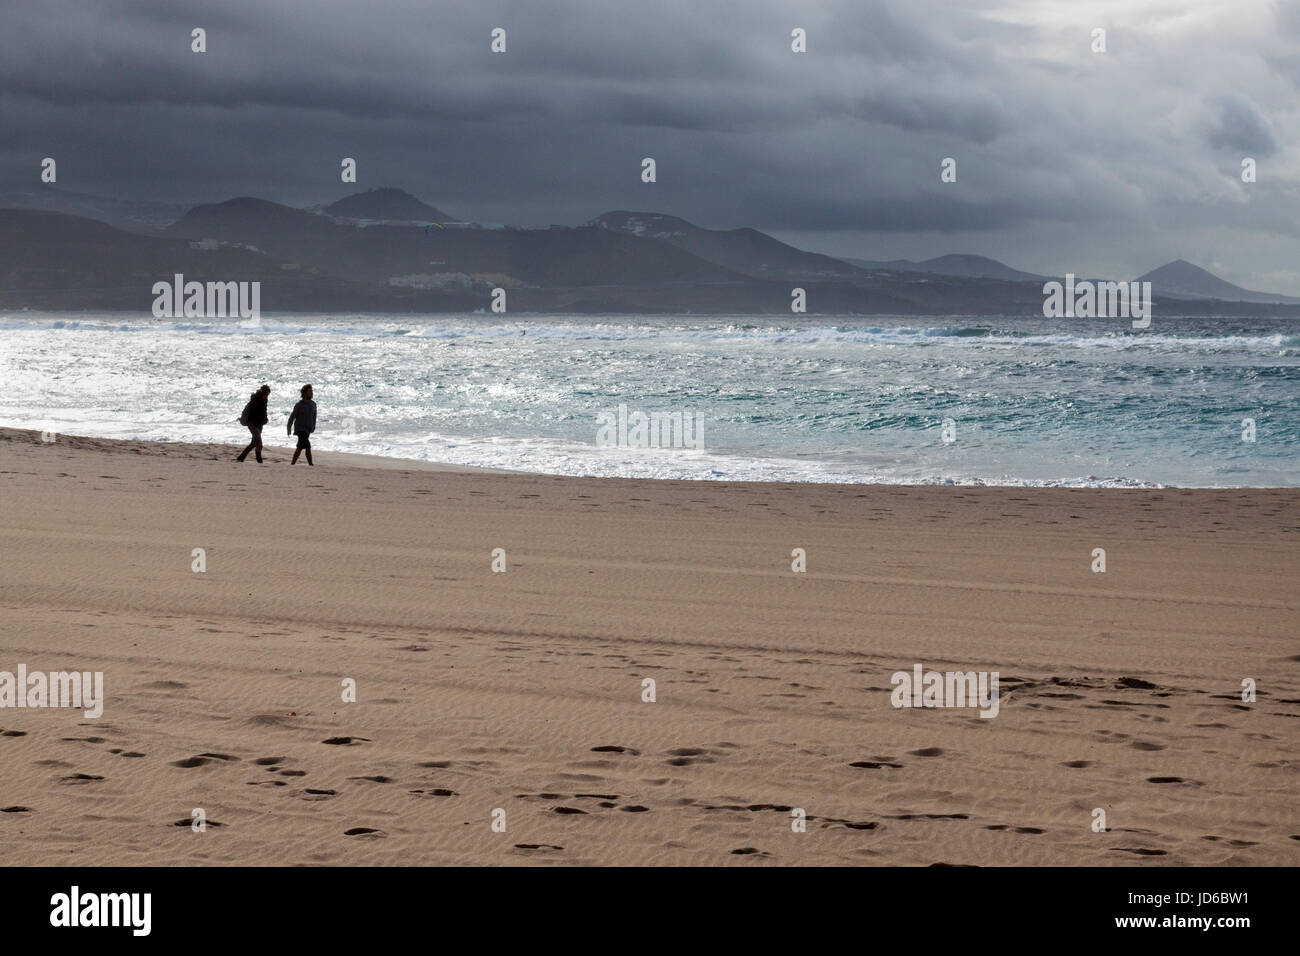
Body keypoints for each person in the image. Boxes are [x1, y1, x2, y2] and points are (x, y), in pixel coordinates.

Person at [236, 384, 271, 463]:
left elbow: (264, 411)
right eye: (267, 394)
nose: (267, 395)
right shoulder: (255, 399)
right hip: (252, 423)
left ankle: (241, 457)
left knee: (254, 443)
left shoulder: (265, 399)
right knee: (259, 443)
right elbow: (254, 412)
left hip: (259, 424)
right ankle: (259, 460)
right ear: (264, 392)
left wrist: (265, 419)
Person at [287, 384, 317, 466]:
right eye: (310, 391)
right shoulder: (299, 405)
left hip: (308, 429)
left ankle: (292, 463)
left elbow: (314, 416)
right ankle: (311, 464)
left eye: (312, 391)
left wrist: (313, 426)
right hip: (300, 429)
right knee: (307, 445)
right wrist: (289, 428)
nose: (311, 393)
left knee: (300, 447)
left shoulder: (313, 404)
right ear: (305, 393)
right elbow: (292, 416)